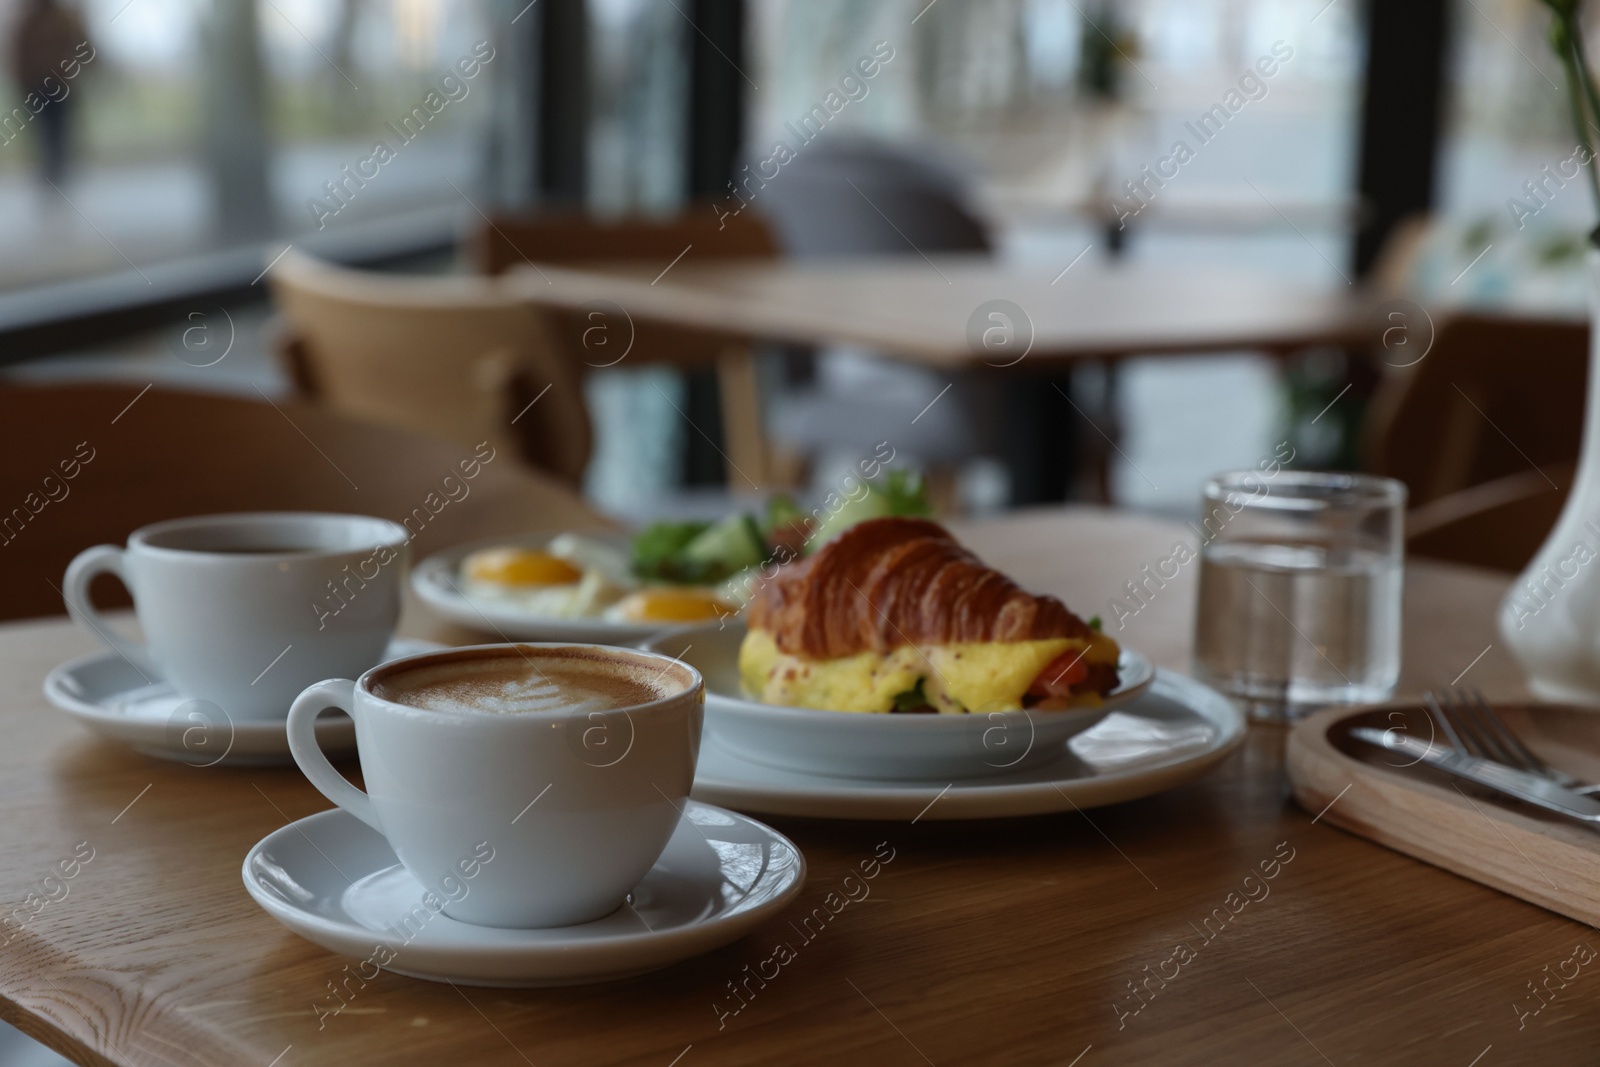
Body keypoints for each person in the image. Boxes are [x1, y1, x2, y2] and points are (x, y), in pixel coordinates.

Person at [9, 0, 89, 185]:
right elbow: (19, 56)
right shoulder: (30, 21)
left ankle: (58, 176)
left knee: (58, 134)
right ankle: (51, 177)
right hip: (39, 87)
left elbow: (80, 47)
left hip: (58, 87)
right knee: (46, 135)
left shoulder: (61, 19)